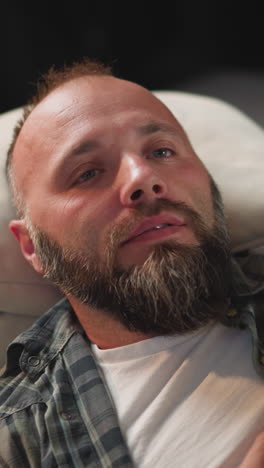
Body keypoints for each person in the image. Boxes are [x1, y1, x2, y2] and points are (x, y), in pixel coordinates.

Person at [0, 58, 263, 468]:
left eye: (161, 151)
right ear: (32, 248)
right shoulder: (19, 440)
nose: (143, 176)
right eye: (87, 173)